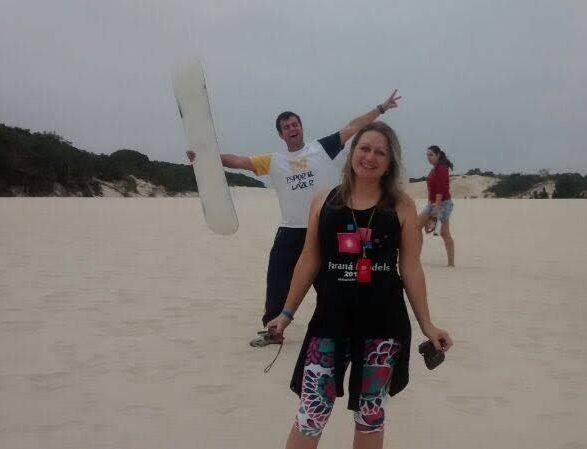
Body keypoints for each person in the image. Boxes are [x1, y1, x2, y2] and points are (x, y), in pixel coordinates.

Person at [267, 122, 453, 449]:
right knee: (311, 411)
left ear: (390, 162)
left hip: (383, 326)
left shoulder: (401, 206)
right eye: (364, 148)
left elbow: (410, 267)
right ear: (352, 152)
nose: (370, 157)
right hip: (329, 322)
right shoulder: (324, 201)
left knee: (370, 415)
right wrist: (286, 313)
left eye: (380, 152)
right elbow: (309, 259)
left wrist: (427, 324)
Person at [187, 91, 402, 347]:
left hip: (324, 229)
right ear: (281, 134)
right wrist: (205, 158)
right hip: (291, 231)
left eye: (294, 124)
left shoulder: (321, 148)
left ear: (301, 126)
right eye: (286, 127)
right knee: (277, 279)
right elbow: (238, 161)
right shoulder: (273, 161)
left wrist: (381, 108)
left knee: (335, 279)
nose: (292, 129)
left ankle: (349, 325)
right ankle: (273, 330)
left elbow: (354, 126)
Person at [417, 145, 455, 266]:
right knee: (416, 227)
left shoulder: (442, 168)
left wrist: (436, 207)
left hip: (441, 204)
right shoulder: (435, 169)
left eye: (431, 155)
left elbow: (441, 189)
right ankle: (415, 258)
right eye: (427, 155)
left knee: (444, 233)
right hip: (433, 203)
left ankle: (451, 263)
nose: (428, 157)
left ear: (438, 155)